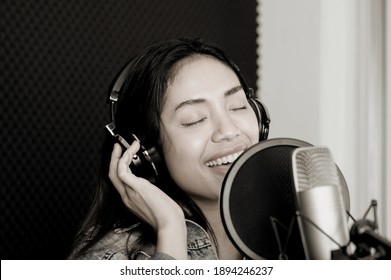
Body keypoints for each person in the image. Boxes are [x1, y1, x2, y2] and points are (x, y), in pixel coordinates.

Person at [68, 37, 270, 260]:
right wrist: (170, 229)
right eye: (194, 119)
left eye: (238, 106)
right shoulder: (108, 256)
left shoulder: (293, 227)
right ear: (146, 153)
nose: (229, 131)